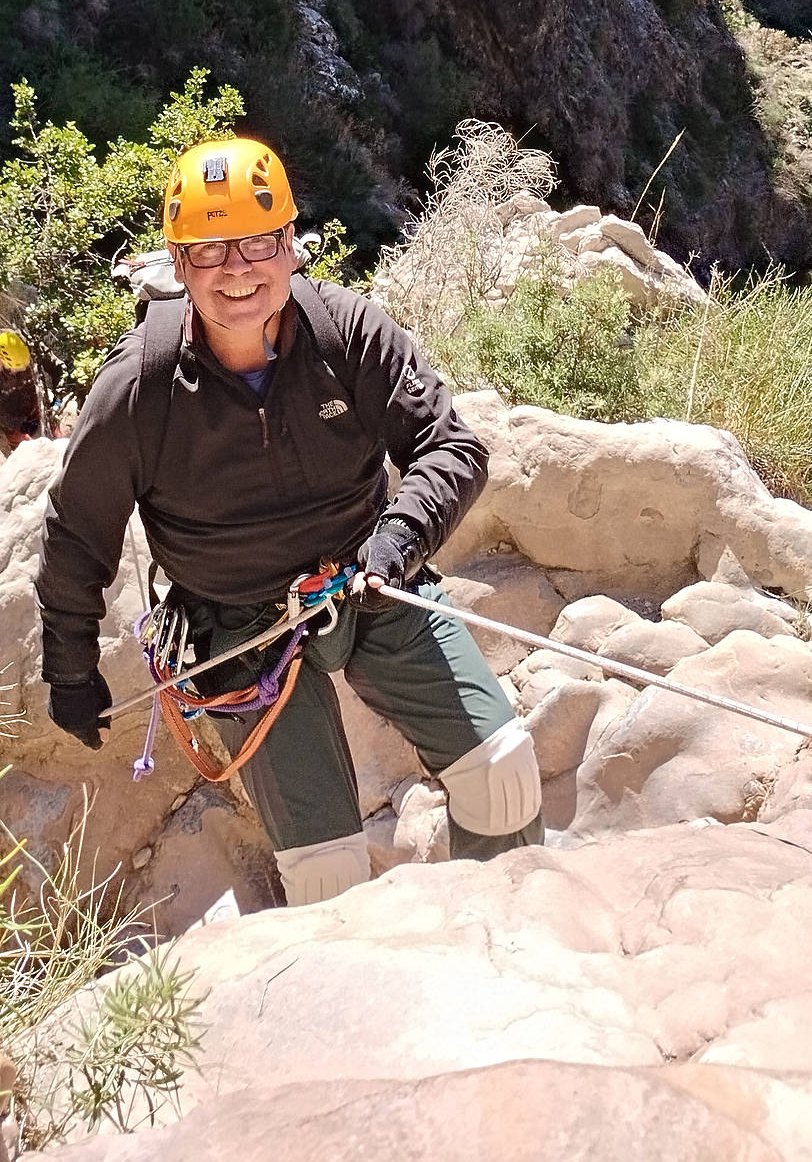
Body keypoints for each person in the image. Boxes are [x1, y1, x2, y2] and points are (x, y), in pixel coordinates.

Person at [36, 135, 542, 906]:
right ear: (179, 265)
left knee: (503, 775)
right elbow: (79, 533)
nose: (237, 270)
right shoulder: (139, 388)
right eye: (210, 251)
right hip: (242, 625)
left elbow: (451, 446)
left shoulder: (347, 333)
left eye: (256, 243)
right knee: (326, 873)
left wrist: (400, 540)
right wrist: (69, 669)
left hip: (367, 580)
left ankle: (501, 936)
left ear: (290, 248)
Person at [0, 328, 49, 457]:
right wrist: (17, 429)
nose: (21, 371)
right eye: (16, 369)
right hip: (5, 420)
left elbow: (44, 371)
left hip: (30, 411)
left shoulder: (22, 345)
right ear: (0, 360)